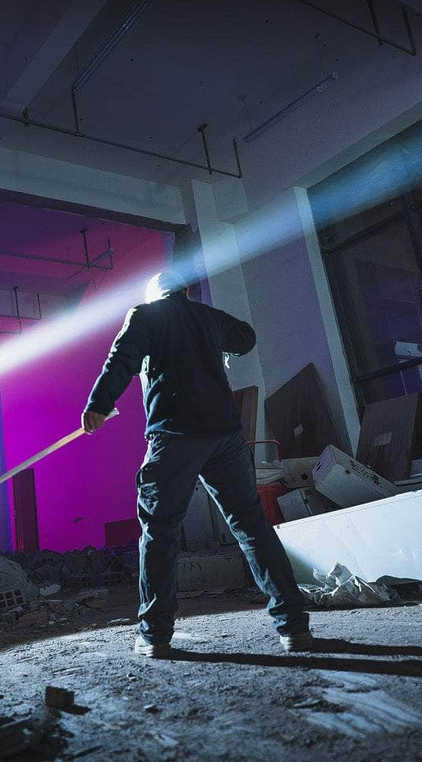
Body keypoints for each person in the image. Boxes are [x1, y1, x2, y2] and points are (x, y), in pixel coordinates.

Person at [82, 270, 311, 658]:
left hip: (174, 437)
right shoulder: (208, 318)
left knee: (160, 532)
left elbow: (122, 359)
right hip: (225, 437)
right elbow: (246, 337)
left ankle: (154, 635)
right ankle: (294, 627)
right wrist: (213, 335)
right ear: (187, 290)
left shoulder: (145, 315)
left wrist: (99, 405)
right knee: (252, 528)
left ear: (154, 295)